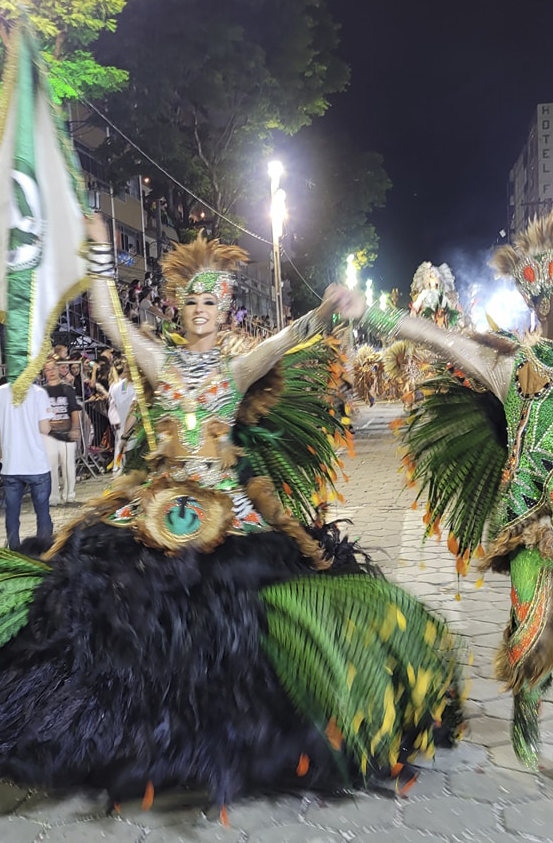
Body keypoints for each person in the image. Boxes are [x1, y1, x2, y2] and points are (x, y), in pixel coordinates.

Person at [0, 218, 465, 809]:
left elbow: (291, 335)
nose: (200, 309)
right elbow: (112, 321)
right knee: (116, 598)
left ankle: (219, 737)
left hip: (230, 510)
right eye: (191, 300)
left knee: (239, 613)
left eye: (210, 302)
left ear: (225, 311)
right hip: (156, 506)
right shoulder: (159, 362)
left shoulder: (234, 370)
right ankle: (131, 730)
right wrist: (96, 251)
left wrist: (327, 309)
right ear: (180, 307)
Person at [358, 211, 553, 802]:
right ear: (540, 304)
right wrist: (366, 312)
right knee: (535, 637)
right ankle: (527, 704)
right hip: (532, 528)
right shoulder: (510, 365)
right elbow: (435, 336)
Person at [0, 380, 53, 550]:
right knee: (42, 513)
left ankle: (14, 552)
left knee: (12, 513)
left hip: (11, 463)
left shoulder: (1, 392)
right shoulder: (38, 392)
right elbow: (45, 429)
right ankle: (42, 553)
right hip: (36, 463)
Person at [41, 359, 82, 505]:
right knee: (51, 464)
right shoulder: (42, 391)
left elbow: (74, 409)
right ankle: (54, 495)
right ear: (44, 372)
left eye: (53, 369)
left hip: (66, 431)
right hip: (50, 432)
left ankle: (69, 493)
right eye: (47, 370)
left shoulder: (67, 389)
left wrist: (75, 428)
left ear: (58, 370)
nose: (51, 372)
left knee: (68, 464)